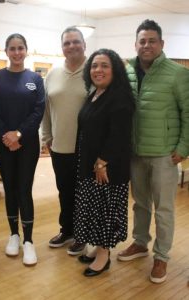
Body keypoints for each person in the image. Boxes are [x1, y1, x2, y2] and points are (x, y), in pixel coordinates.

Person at [117, 19, 189, 284]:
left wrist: (183, 148)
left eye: (152, 41)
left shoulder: (178, 73)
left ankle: (162, 257)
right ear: (136, 44)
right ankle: (140, 243)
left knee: (164, 209)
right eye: (142, 41)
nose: (146, 45)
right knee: (140, 204)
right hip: (136, 152)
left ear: (162, 44)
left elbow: (188, 113)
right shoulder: (128, 72)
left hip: (164, 155)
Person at [73, 48, 135, 277]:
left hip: (107, 168)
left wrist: (102, 162)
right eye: (94, 66)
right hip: (90, 164)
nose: (98, 70)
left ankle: (103, 256)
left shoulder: (120, 97)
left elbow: (119, 135)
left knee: (104, 212)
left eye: (104, 66)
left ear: (115, 70)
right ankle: (95, 249)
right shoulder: (95, 93)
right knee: (93, 209)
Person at [0, 33, 45, 266]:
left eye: (21, 48)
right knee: (10, 188)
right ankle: (14, 235)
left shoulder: (35, 78)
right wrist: (7, 136)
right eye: (12, 48)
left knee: (24, 189)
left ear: (26, 50)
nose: (17, 52)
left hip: (28, 144)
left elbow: (38, 110)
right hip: (2, 144)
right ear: (6, 51)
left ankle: (29, 241)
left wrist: (19, 134)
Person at [41, 26, 87, 255]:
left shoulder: (94, 70)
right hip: (59, 146)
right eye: (67, 43)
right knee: (64, 191)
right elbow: (46, 109)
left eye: (75, 41)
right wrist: (47, 136)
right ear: (62, 48)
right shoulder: (53, 74)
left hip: (87, 148)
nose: (72, 46)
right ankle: (67, 229)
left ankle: (83, 234)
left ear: (84, 44)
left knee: (84, 193)